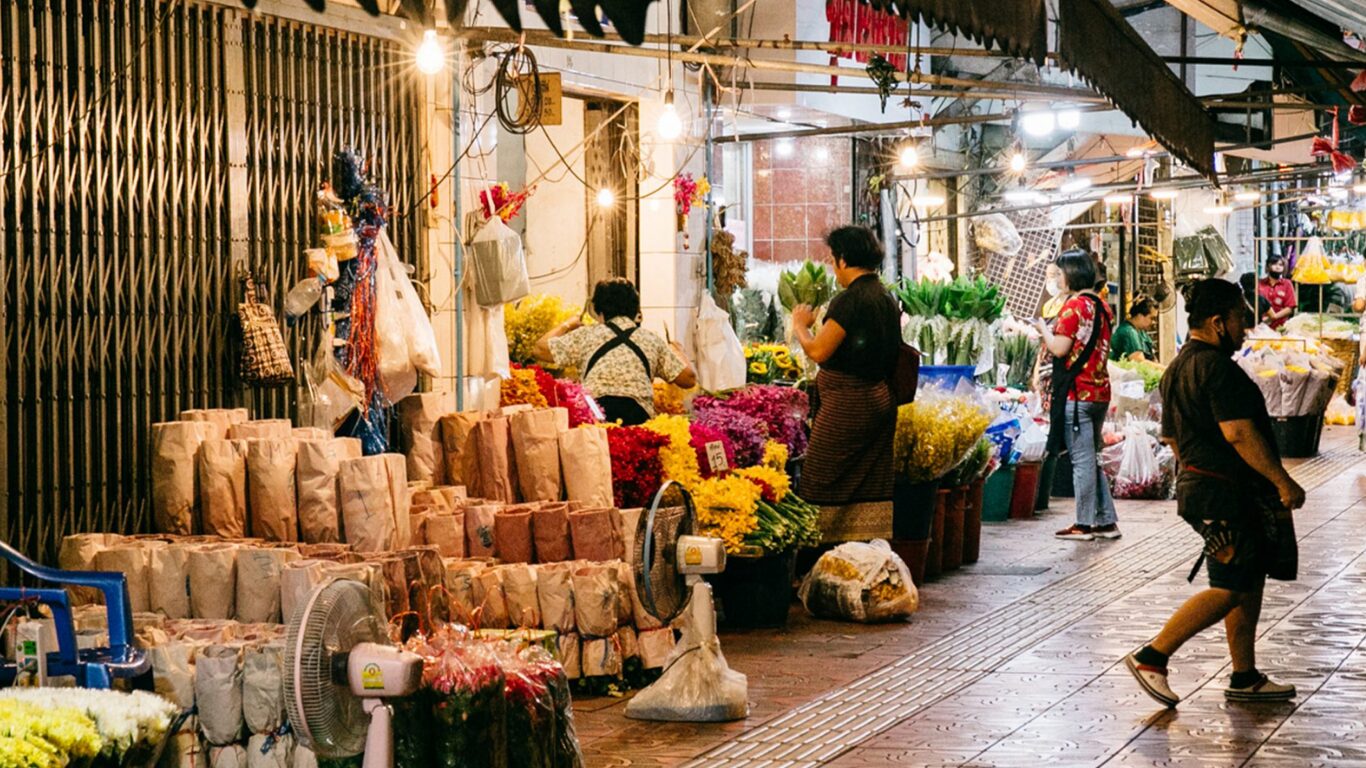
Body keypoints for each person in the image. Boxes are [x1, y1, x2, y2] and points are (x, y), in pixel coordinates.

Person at [1125, 278, 1304, 708]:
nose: (1246, 326)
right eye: (1241, 318)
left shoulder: (1178, 367)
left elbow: (1171, 437)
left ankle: (1244, 675)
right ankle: (1153, 656)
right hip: (1220, 493)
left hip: (1206, 487)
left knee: (1247, 577)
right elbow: (1239, 433)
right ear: (1218, 322)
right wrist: (1283, 480)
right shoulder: (1216, 368)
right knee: (1229, 587)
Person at [791, 226, 902, 536]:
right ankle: (863, 548)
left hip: (848, 406)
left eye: (832, 259)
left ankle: (820, 552)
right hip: (878, 399)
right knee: (866, 478)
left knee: (819, 476)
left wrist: (800, 325)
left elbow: (819, 350)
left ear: (842, 259)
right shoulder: (884, 297)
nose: (832, 266)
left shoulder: (851, 301)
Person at [1033, 250, 1119, 541]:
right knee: (1091, 457)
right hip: (1099, 392)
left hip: (1078, 394)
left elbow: (1059, 349)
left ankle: (1084, 524)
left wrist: (1044, 329)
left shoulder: (1074, 307)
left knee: (1081, 461)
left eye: (1059, 274)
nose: (1056, 280)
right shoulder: (1102, 306)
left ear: (1072, 273)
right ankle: (1106, 521)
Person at [534, 278, 696, 426]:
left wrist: (568, 324)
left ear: (600, 312)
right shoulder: (651, 339)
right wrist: (679, 351)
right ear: (635, 310)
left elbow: (540, 349)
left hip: (596, 415)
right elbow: (688, 379)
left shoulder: (587, 335)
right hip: (638, 418)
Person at [1110, 296, 1158, 362]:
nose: (1154, 322)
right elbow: (1140, 362)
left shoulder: (1141, 333)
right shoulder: (1129, 332)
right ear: (1140, 316)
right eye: (1152, 318)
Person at [1257, 254, 1296, 329]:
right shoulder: (1260, 284)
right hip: (1260, 327)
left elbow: (1290, 308)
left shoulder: (1287, 284)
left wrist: (1273, 317)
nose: (1278, 267)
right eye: (1274, 264)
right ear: (1268, 266)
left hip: (1281, 327)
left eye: (1281, 265)